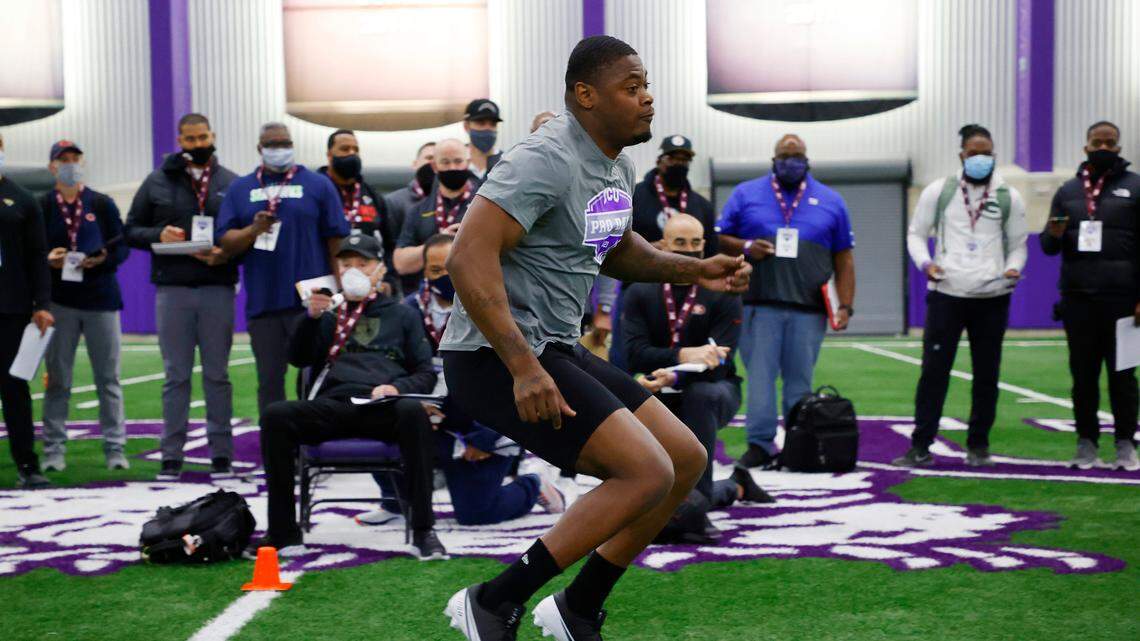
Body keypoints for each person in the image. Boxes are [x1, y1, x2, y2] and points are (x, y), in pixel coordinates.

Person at [439, 36, 750, 640]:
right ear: (586, 95)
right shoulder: (545, 156)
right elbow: (466, 257)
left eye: (646, 85)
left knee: (684, 459)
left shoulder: (615, 163)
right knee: (643, 472)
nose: (648, 98)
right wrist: (525, 367)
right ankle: (493, 600)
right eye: (631, 87)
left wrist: (696, 267)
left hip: (553, 345)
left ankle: (577, 607)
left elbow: (614, 248)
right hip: (495, 355)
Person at [247, 235, 447, 560]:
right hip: (335, 405)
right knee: (275, 415)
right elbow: (298, 358)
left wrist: (396, 387)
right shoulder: (327, 315)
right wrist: (309, 319)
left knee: (413, 412)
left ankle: (424, 530)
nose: (353, 270)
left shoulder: (403, 315)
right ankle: (283, 532)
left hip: (384, 407)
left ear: (380, 270)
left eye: (362, 264)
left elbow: (425, 373)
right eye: (346, 265)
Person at [358, 234, 566, 527]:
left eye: (451, 267)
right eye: (435, 271)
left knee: (477, 513)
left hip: (480, 424)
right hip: (425, 419)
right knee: (375, 413)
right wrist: (404, 397)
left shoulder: (499, 308)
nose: (445, 276)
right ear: (424, 273)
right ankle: (395, 497)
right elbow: (389, 366)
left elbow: (513, 377)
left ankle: (534, 484)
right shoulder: (405, 311)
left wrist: (486, 436)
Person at [716, 133, 856, 469]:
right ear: (773, 160)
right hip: (757, 304)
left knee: (800, 381)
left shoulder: (831, 201)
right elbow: (718, 239)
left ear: (807, 161)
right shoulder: (746, 193)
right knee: (760, 379)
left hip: (809, 309)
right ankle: (760, 444)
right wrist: (748, 247)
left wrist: (846, 304)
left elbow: (844, 258)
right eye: (784, 156)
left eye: (796, 156)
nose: (790, 161)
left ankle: (799, 440)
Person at [894, 124, 1028, 468]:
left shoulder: (1007, 197)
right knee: (934, 373)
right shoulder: (939, 192)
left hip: (992, 297)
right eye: (974, 154)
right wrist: (926, 264)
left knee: (987, 374)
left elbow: (1018, 247)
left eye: (987, 154)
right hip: (946, 295)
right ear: (962, 156)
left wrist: (1012, 269)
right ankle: (920, 445)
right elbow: (915, 234)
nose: (981, 159)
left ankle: (979, 445)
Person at [623, 214, 770, 516]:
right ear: (662, 245)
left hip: (716, 390)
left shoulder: (724, 290)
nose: (688, 250)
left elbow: (719, 363)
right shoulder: (640, 290)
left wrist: (672, 376)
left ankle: (696, 508)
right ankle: (733, 486)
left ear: (705, 246)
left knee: (701, 394)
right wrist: (682, 357)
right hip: (653, 386)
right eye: (679, 243)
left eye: (694, 243)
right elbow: (634, 354)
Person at [125, 113, 239, 480]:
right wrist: (160, 234)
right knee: (176, 376)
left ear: (213, 135)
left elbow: (244, 236)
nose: (198, 144)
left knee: (217, 375)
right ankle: (170, 455)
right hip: (172, 289)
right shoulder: (158, 180)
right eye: (190, 139)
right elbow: (131, 230)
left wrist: (224, 251)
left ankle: (222, 454)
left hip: (217, 287)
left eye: (203, 137)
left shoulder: (230, 183)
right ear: (179, 140)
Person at [216, 122, 350, 416]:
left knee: (316, 376)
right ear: (260, 148)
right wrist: (253, 229)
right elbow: (225, 243)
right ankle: (275, 449)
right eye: (273, 144)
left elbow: (335, 240)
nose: (280, 149)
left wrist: (341, 290)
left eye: (284, 143)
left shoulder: (318, 184)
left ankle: (314, 443)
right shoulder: (241, 188)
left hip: (313, 300)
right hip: (265, 302)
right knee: (270, 381)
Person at [1041, 120, 1140, 472]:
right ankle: (1086, 445)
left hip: (1124, 301)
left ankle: (1126, 445)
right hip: (1078, 299)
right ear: (1085, 147)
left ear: (1119, 147)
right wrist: (1052, 233)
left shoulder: (1136, 187)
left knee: (1123, 377)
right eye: (1097, 142)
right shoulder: (1068, 191)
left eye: (1110, 142)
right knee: (1082, 377)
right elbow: (1049, 247)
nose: (1103, 148)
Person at [40, 140, 130, 472]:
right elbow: (29, 248)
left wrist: (104, 261)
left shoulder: (102, 203)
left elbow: (122, 247)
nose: (70, 164)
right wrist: (46, 259)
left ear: (83, 162)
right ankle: (53, 449)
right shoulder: (42, 206)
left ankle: (115, 448)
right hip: (59, 301)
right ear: (51, 166)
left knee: (108, 378)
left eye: (75, 158)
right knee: (58, 379)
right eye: (63, 159)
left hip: (101, 300)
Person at [609, 134, 720, 370]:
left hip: (687, 294)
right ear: (660, 160)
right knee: (625, 358)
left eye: (684, 159)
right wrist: (650, 250)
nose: (678, 164)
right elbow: (616, 241)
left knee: (682, 361)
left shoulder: (701, 205)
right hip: (637, 290)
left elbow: (710, 251)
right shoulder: (634, 196)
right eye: (672, 158)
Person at [0, 132, 54, 489]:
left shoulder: (22, 200)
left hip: (11, 308)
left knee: (14, 389)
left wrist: (42, 304)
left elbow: (38, 257)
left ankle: (27, 465)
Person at [317, 128, 400, 295]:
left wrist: (390, 282)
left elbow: (390, 244)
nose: (352, 153)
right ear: (329, 155)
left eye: (355, 150)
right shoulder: (316, 191)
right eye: (345, 149)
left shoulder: (373, 196)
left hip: (371, 287)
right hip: (329, 288)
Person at [393, 138, 475, 278]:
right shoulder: (418, 210)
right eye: (445, 162)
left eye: (458, 161)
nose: (452, 168)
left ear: (468, 163)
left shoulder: (484, 205)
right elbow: (400, 264)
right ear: (434, 167)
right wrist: (438, 243)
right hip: (431, 292)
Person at [385, 141, 436, 294]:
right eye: (428, 158)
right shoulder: (394, 201)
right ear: (415, 163)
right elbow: (389, 248)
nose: (432, 164)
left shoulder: (451, 202)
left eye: (437, 159)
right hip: (408, 288)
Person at [464, 99, 503, 182]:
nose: (487, 128)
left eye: (493, 124)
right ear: (466, 126)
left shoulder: (506, 162)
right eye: (481, 123)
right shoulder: (454, 164)